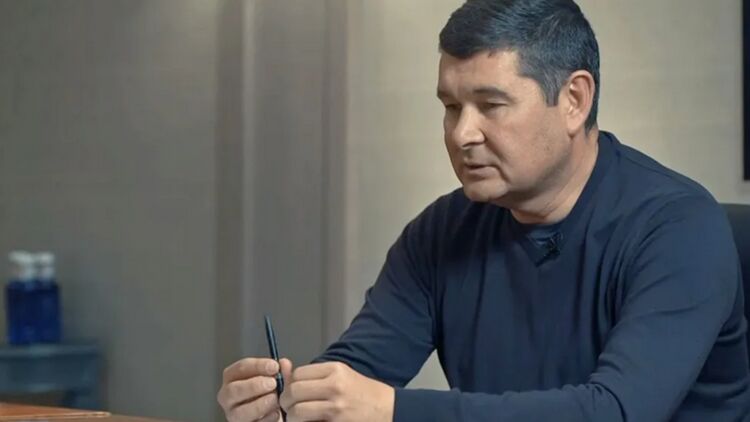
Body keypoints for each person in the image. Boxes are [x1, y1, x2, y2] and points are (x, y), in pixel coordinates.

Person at [217, 0, 750, 420]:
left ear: (574, 100)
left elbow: (615, 411)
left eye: (490, 105)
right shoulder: (440, 232)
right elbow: (360, 374)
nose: (461, 134)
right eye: (451, 107)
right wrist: (290, 404)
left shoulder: (680, 229)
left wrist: (392, 411)